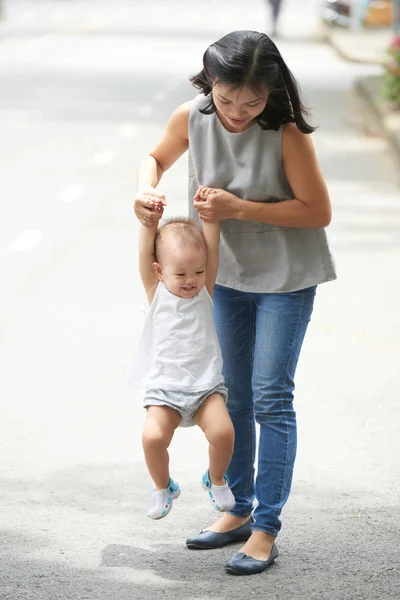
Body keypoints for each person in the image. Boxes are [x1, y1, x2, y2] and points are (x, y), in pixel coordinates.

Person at [133, 30, 336, 575]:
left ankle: (266, 525)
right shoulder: (192, 116)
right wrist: (145, 189)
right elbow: (153, 159)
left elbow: (317, 212)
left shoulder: (287, 132)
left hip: (286, 277)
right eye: (226, 99)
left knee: (270, 396)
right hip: (221, 276)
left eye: (252, 101)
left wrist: (238, 208)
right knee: (234, 397)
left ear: (272, 91)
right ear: (209, 84)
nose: (238, 112)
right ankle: (238, 509)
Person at [127, 195, 235, 521]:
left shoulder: (205, 290)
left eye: (198, 271)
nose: (191, 280)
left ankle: (215, 478)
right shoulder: (155, 292)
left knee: (223, 433)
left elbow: (212, 250)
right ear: (159, 272)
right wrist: (150, 223)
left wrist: (210, 218)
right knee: (152, 438)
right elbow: (145, 253)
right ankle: (163, 487)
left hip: (205, 387)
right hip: (165, 389)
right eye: (181, 274)